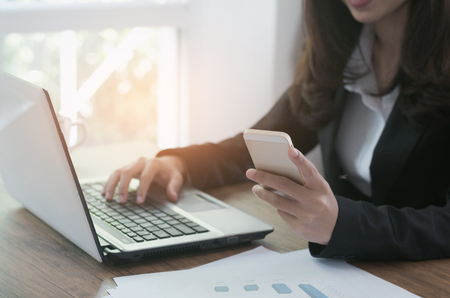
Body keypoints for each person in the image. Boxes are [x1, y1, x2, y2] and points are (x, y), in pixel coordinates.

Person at [102, 0, 450, 260]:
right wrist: (180, 164)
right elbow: (257, 146)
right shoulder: (343, 49)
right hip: (346, 273)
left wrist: (343, 224)